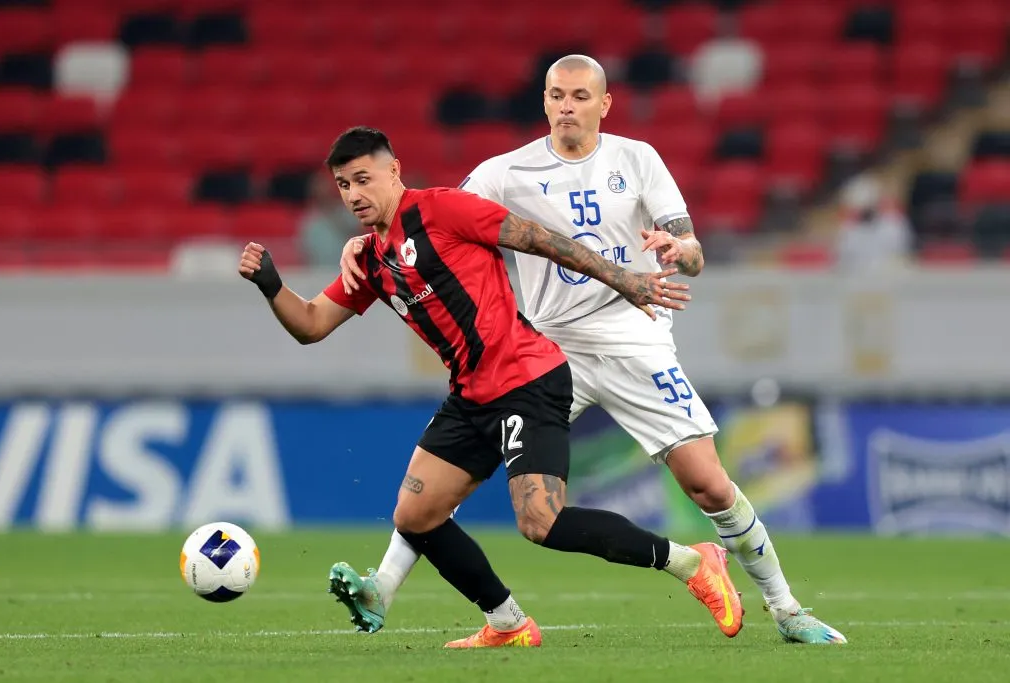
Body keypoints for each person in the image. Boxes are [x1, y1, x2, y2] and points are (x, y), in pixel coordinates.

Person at [336, 55, 847, 646]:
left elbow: (692, 248)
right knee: (448, 485)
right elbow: (422, 222)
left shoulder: (638, 159)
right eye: (556, 95)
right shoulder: (506, 171)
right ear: (544, 101)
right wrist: (364, 239)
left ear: (605, 103)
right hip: (548, 351)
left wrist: (681, 251)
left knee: (707, 483)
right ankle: (387, 586)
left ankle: (786, 610)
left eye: (580, 96)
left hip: (635, 335)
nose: (566, 106)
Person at [240, 126, 740, 649]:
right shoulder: (368, 259)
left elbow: (539, 239)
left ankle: (691, 561)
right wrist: (272, 284)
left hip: (529, 379)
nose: (354, 195)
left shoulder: (444, 211)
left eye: (363, 179)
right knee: (417, 515)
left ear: (394, 170)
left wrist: (625, 279)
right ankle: (507, 622)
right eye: (343, 185)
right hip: (471, 394)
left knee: (540, 521)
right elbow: (313, 324)